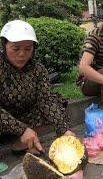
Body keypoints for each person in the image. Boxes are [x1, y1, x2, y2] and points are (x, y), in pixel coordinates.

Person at [0, 20, 74, 154]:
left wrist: (64, 130)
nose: (22, 54)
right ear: (4, 46)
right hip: (3, 119)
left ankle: (20, 144)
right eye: (15, 48)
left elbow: (46, 100)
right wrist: (21, 129)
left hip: (24, 115)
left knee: (56, 101)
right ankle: (19, 138)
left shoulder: (38, 69)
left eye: (28, 49)